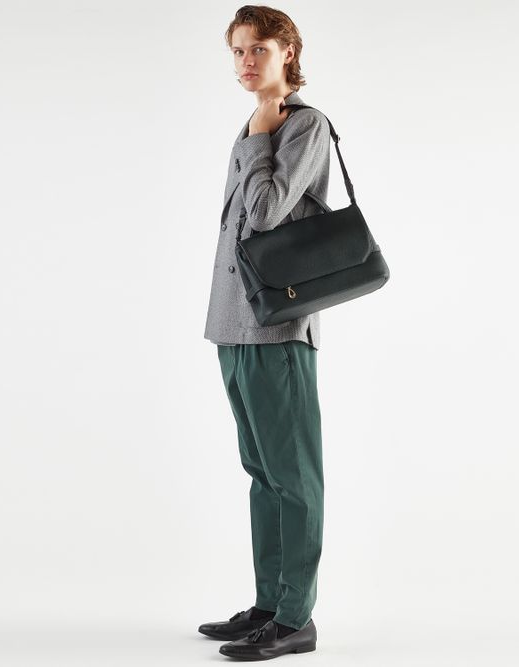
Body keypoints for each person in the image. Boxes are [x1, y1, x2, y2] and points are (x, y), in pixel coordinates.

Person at [199, 5, 331, 661]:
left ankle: (296, 618)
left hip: (278, 331)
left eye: (258, 49)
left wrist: (258, 138)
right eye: (237, 51)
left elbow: (266, 212)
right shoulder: (258, 125)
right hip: (234, 327)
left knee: (292, 475)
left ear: (288, 52)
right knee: (261, 472)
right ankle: (269, 605)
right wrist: (255, 133)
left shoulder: (303, 125)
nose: (246, 62)